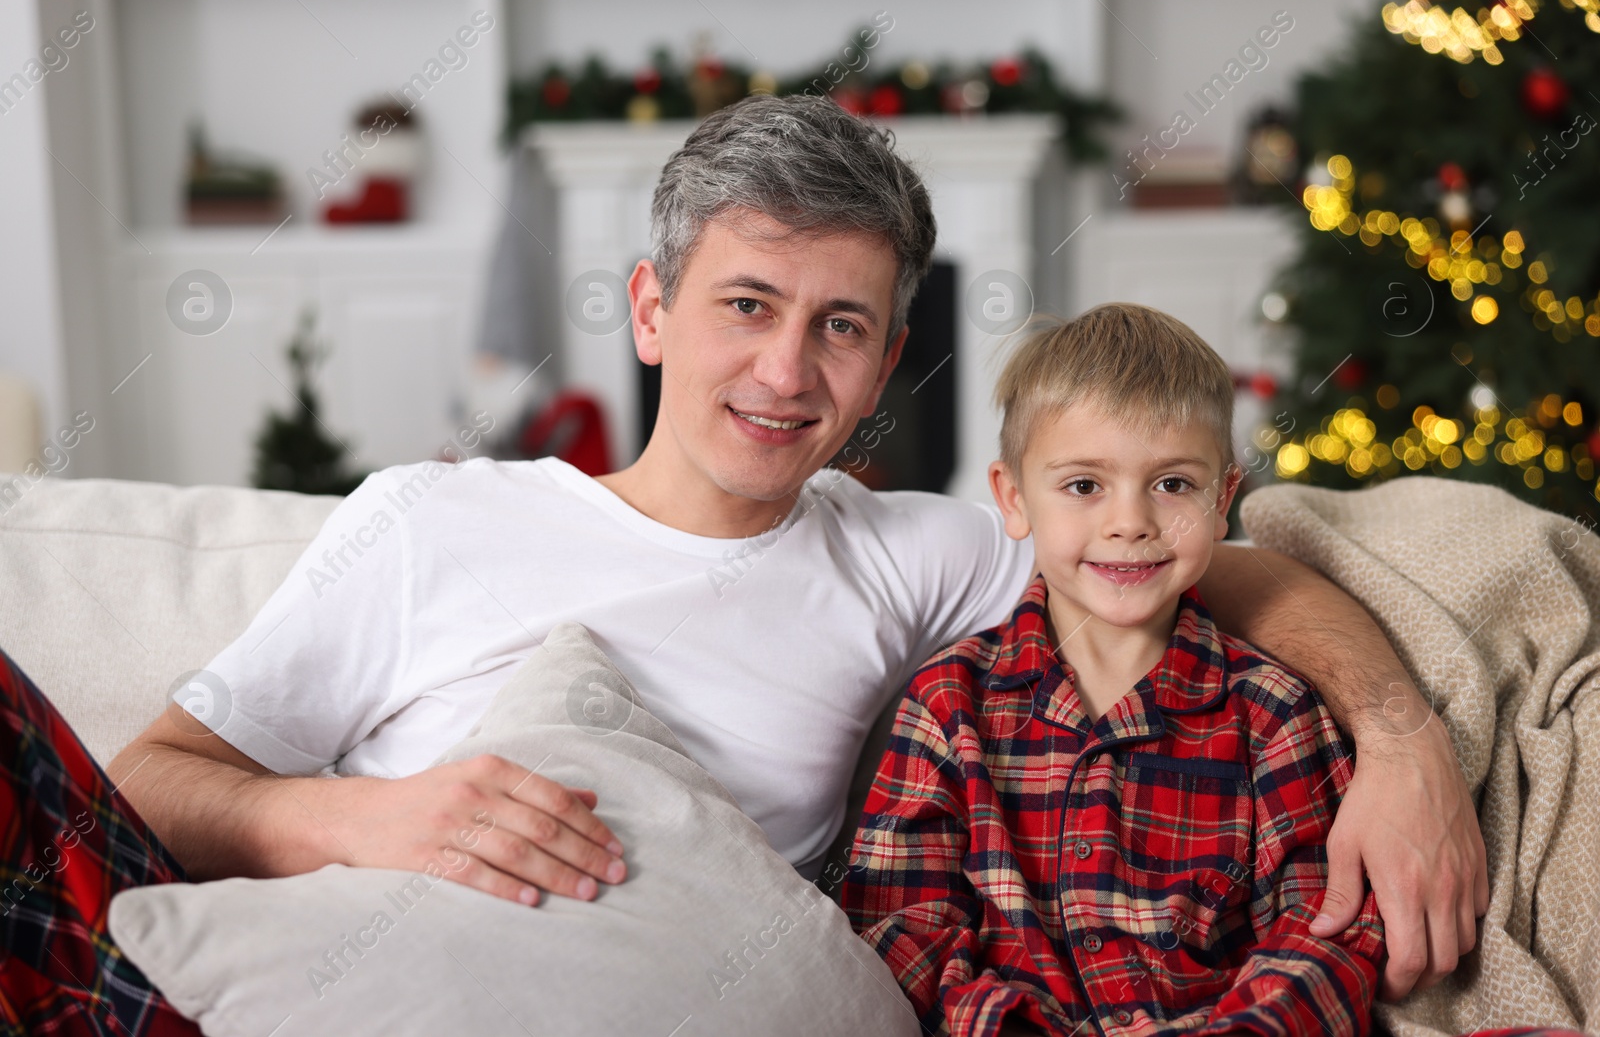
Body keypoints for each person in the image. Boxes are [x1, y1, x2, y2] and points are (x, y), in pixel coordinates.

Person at [2, 95, 1482, 1035]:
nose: (787, 368)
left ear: (892, 356)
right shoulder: (427, 518)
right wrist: (367, 818)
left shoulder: (915, 554)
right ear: (650, 308)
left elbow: (1204, 558)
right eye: (747, 303)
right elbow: (148, 785)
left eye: (841, 324)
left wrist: (1404, 734)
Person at [841, 304, 1384, 1035]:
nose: (1130, 522)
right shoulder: (949, 702)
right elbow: (898, 927)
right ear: (1013, 497)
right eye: (1084, 486)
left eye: (1172, 485)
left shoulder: (1275, 710)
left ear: (1223, 500)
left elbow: (1324, 930)